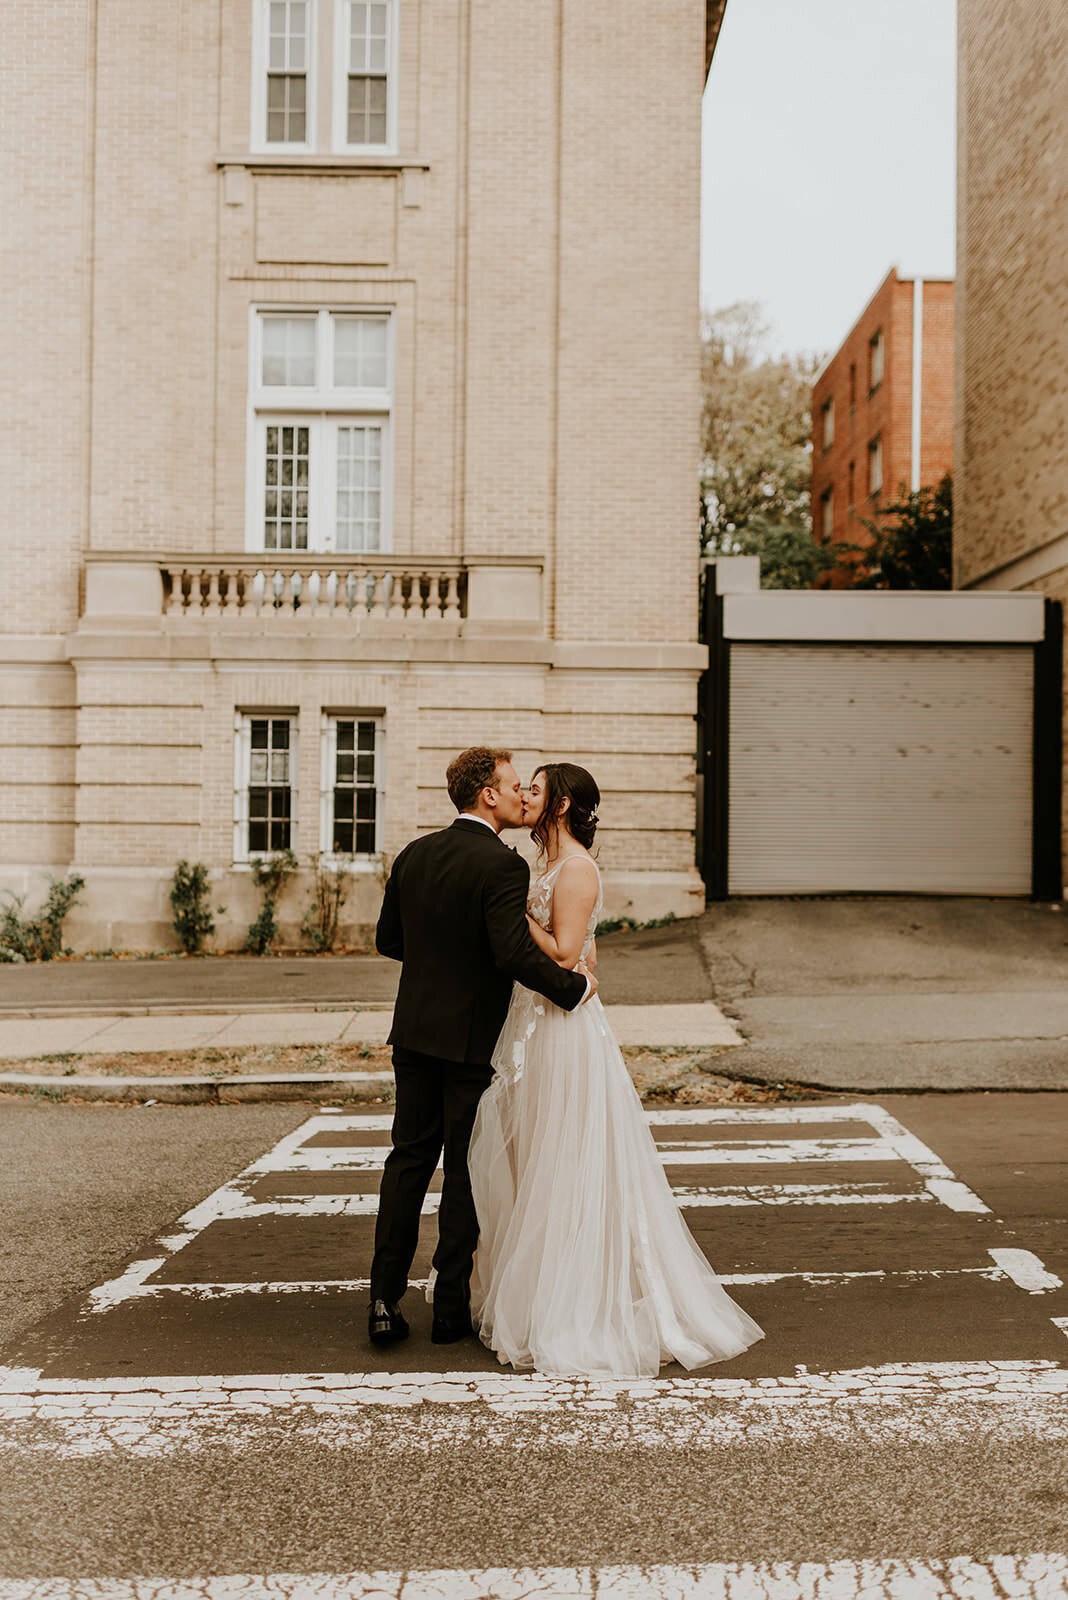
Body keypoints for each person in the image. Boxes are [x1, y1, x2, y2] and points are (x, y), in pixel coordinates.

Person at [468, 762, 765, 1377]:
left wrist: (513, 915)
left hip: (566, 1033)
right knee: (535, 1159)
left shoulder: (575, 870)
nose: (524, 792)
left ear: (560, 802)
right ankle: (540, 1290)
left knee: (567, 1161)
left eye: (535, 786)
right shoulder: (547, 867)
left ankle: (576, 1305)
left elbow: (566, 955)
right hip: (535, 1027)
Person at [369, 747, 596, 1348]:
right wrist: (573, 990)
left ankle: (383, 1301)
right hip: (472, 1041)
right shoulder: (502, 865)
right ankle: (448, 1311)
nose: (522, 794)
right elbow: (511, 954)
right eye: (513, 784)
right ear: (487, 795)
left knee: (407, 1162)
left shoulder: (414, 854)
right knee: (465, 1172)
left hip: (414, 1034)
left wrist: (437, 961)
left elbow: (389, 940)